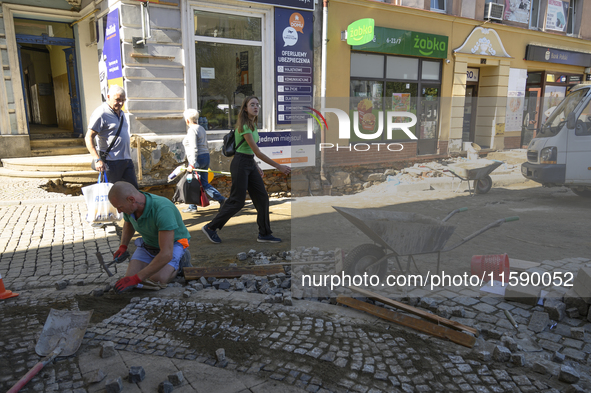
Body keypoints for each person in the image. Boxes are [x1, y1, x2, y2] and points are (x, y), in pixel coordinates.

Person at [201, 96, 291, 244]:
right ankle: (211, 227)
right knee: (237, 201)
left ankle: (264, 234)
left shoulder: (253, 125)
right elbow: (258, 152)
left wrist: (255, 166)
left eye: (257, 104)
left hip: (249, 163)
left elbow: (249, 150)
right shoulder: (244, 127)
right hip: (241, 164)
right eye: (252, 105)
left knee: (262, 198)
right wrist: (278, 166)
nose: (256, 107)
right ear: (245, 108)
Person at [108, 181, 191, 293]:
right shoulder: (130, 206)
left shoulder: (162, 209)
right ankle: (156, 261)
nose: (119, 211)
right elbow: (128, 223)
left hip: (174, 243)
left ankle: (180, 262)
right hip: (148, 244)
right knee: (129, 277)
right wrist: (123, 246)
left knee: (158, 279)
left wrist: (137, 278)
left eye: (120, 207)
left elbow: (166, 254)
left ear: (131, 199)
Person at [85, 85, 138, 189]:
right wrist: (97, 159)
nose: (121, 103)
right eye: (117, 100)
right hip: (111, 162)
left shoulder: (121, 113)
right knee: (110, 193)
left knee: (133, 191)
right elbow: (88, 137)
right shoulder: (101, 113)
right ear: (108, 97)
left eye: (123, 100)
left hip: (126, 159)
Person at [181, 108, 226, 213]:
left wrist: (192, 163)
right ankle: (221, 200)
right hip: (205, 156)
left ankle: (194, 206)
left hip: (196, 159)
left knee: (192, 181)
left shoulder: (192, 130)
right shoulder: (201, 128)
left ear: (187, 120)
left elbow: (194, 148)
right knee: (203, 183)